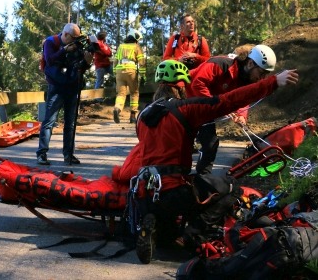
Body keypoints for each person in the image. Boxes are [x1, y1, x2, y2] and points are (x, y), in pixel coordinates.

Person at [110, 59, 299, 264]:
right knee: (230, 187)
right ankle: (194, 236)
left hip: (144, 193)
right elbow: (227, 100)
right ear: (181, 86)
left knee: (170, 223)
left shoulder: (143, 116)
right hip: (173, 190)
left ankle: (158, 227)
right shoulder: (185, 109)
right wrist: (272, 82)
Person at [188, 44, 277, 175]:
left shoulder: (246, 80)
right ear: (251, 63)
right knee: (183, 143)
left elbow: (243, 97)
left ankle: (203, 178)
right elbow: (197, 83)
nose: (262, 79)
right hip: (186, 101)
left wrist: (242, 115)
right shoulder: (220, 64)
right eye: (261, 73)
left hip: (204, 109)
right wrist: (217, 104)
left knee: (210, 143)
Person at [36, 22, 93, 166]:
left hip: (72, 86)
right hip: (57, 86)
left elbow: (79, 66)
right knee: (49, 121)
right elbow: (50, 60)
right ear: (66, 34)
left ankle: (68, 154)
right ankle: (41, 154)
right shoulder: (50, 42)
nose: (75, 41)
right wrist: (64, 50)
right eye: (73, 38)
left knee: (70, 124)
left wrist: (87, 62)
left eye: (77, 38)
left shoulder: (77, 45)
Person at [112, 28, 146, 124]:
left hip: (119, 71)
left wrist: (115, 73)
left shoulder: (121, 46)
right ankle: (132, 116)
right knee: (134, 93)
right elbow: (142, 62)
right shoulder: (136, 46)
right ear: (135, 38)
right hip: (131, 70)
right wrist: (143, 75)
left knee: (121, 94)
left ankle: (117, 109)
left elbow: (115, 60)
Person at [92, 30, 113, 97]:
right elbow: (107, 53)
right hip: (100, 65)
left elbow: (109, 53)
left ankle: (114, 94)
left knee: (116, 75)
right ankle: (96, 98)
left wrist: (106, 53)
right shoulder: (97, 43)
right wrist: (105, 53)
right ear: (103, 37)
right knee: (99, 81)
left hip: (107, 64)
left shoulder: (104, 44)